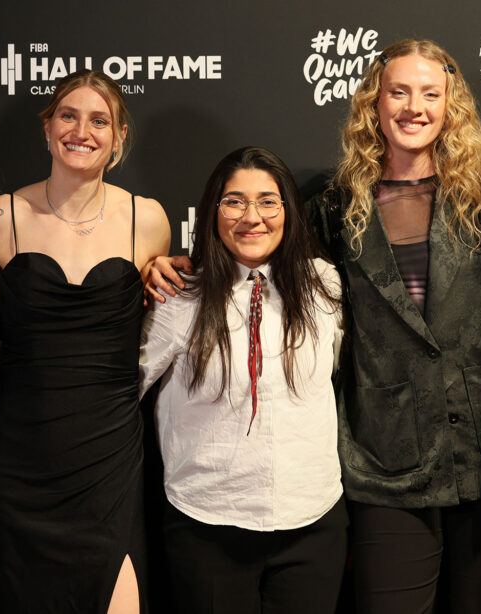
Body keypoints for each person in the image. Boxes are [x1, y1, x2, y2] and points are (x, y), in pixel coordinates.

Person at [148, 39, 481, 613]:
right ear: (375, 103)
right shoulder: (332, 206)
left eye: (430, 93)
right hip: (381, 464)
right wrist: (181, 263)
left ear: (449, 104)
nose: (414, 107)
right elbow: (264, 259)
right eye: (399, 92)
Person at [0, 69, 170, 614]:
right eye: (68, 115)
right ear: (47, 128)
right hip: (18, 462)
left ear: (119, 136)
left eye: (99, 120)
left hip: (108, 461)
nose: (82, 130)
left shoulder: (147, 220)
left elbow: (163, 325)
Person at [139, 146, 346, 613]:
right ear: (213, 210)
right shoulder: (179, 297)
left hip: (311, 519)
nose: (252, 216)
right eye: (234, 201)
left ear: (288, 210)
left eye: (268, 201)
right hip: (207, 524)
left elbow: (342, 370)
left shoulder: (325, 286)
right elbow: (116, 388)